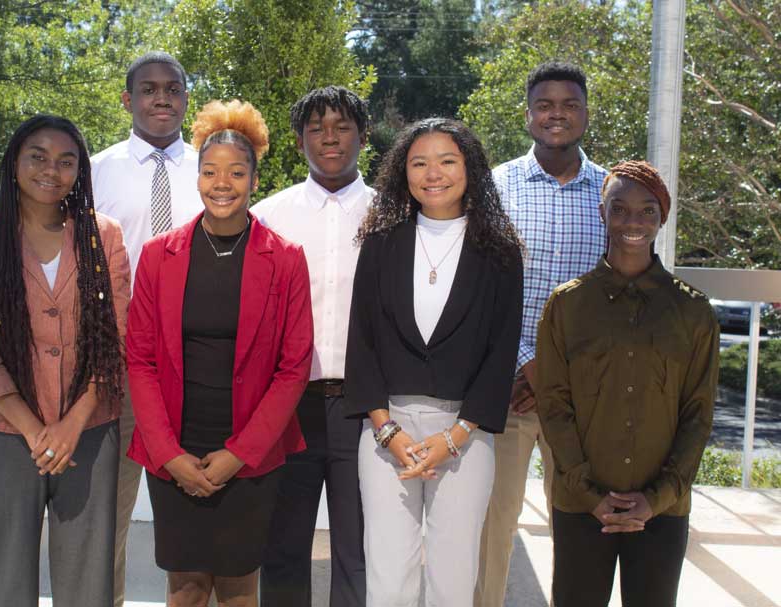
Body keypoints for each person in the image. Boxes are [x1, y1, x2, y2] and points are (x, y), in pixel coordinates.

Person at [126, 99, 313, 607]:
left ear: (255, 179)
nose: (221, 183)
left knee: (237, 587)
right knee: (185, 589)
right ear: (198, 178)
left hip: (250, 450)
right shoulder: (158, 256)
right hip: (174, 446)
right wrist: (168, 454)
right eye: (210, 171)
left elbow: (293, 368)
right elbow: (139, 360)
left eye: (235, 172)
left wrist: (238, 455)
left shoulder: (287, 259)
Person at [0, 115, 130, 606]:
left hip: (89, 431)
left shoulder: (102, 235)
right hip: (7, 433)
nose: (52, 169)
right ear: (13, 163)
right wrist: (34, 430)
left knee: (88, 580)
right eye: (38, 156)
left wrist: (73, 422)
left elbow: (117, 338)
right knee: (5, 579)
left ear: (80, 171)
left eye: (66, 161)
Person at [344, 118, 524, 606]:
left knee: (453, 572)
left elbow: (501, 353)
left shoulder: (501, 252)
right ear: (403, 173)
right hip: (386, 433)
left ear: (471, 168)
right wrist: (386, 431)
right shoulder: (381, 242)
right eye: (419, 163)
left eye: (447, 161)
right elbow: (361, 341)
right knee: (388, 570)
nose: (433, 173)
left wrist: (455, 437)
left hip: (465, 434)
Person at [537, 161, 718, 606]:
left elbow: (698, 415)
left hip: (663, 508)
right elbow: (554, 406)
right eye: (620, 210)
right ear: (602, 214)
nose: (633, 222)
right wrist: (590, 494)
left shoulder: (693, 312)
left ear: (662, 217)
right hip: (581, 506)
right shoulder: (567, 305)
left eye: (647, 211)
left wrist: (658, 498)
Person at [475, 60, 608, 607]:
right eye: (546, 104)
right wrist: (524, 364)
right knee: (491, 528)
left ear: (585, 113)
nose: (557, 114)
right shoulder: (493, 186)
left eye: (569, 104)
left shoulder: (610, 193)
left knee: (577, 526)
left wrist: (556, 375)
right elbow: (478, 287)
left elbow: (616, 296)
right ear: (528, 114)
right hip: (505, 389)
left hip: (581, 398)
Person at [90, 51, 204, 605]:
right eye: (149, 89)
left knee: (189, 517)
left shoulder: (213, 168)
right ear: (127, 98)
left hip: (195, 364)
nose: (162, 99)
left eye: (173, 88)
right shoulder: (93, 171)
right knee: (108, 514)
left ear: (187, 96)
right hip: (116, 364)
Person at [254, 85, 371, 607]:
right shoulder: (268, 216)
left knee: (359, 547)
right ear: (299, 139)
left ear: (362, 137)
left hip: (366, 405)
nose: (329, 138)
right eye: (316, 128)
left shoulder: (392, 215)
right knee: (282, 546)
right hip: (287, 405)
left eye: (342, 126)